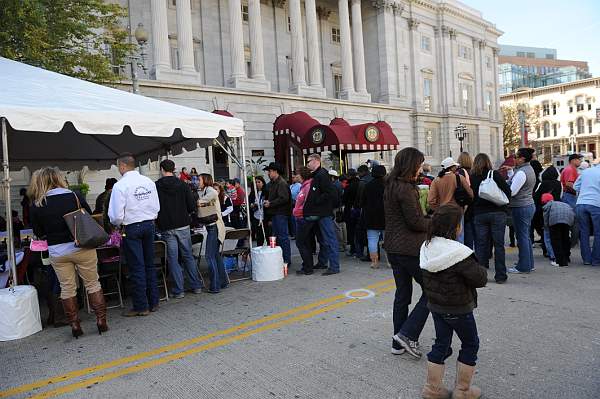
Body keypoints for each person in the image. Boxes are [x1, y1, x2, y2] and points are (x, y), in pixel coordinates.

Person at [29, 167, 108, 338]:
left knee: (67, 289)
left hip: (57, 252)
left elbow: (38, 231)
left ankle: (74, 324)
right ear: (58, 178)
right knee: (93, 284)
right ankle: (101, 320)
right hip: (81, 246)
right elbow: (87, 215)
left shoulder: (37, 204)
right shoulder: (73, 196)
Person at [419, 204, 487, 399]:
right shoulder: (458, 253)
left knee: (441, 343)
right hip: (459, 308)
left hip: (436, 306)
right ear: (455, 227)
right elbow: (480, 278)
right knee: (470, 343)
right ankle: (463, 391)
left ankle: (432, 389)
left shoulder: (426, 246)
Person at [385, 148, 431, 358]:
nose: (421, 168)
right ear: (411, 165)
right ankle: (407, 333)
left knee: (402, 294)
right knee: (433, 290)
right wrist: (435, 222)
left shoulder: (391, 185)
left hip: (394, 248)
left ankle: (397, 341)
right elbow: (415, 222)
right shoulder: (405, 188)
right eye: (419, 164)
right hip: (409, 249)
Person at [108, 153, 161, 316]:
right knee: (149, 264)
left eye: (118, 166)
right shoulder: (148, 182)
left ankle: (141, 306)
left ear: (123, 166)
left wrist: (117, 224)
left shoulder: (120, 185)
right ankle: (153, 302)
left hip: (131, 227)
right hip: (149, 224)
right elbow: (156, 206)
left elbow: (116, 215)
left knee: (136, 267)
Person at [155, 159, 203, 299]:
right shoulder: (182, 184)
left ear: (162, 169)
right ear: (174, 169)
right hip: (182, 224)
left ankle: (178, 290)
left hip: (166, 225)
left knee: (173, 259)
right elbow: (191, 205)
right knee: (188, 255)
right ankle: (196, 286)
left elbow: (154, 206)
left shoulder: (156, 186)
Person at [469, 153, 511, 284]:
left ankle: (481, 276)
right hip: (497, 212)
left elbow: (471, 197)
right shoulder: (494, 174)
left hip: (479, 214)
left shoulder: (472, 177)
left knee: (481, 245)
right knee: (499, 245)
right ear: (488, 162)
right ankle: (500, 275)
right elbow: (508, 191)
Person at [302, 154, 340, 276]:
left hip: (323, 213)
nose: (307, 164)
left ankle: (334, 266)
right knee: (323, 240)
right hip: (318, 213)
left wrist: (317, 200)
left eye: (309, 161)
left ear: (316, 161)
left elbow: (329, 192)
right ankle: (323, 262)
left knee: (329, 239)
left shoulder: (322, 175)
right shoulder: (318, 174)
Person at [428, 157, 473, 243]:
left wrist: (438, 209)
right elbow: (471, 194)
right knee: (459, 237)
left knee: (445, 237)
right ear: (452, 167)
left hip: (443, 212)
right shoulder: (459, 178)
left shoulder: (436, 180)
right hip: (458, 211)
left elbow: (431, 200)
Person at [507, 148, 537, 274]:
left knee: (522, 237)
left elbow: (512, 191)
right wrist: (510, 174)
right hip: (528, 204)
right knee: (526, 236)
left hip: (520, 206)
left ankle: (523, 266)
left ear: (522, 158)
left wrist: (505, 185)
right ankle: (528, 263)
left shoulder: (521, 172)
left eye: (516, 157)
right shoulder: (528, 169)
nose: (514, 159)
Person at [198, 173, 228, 293]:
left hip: (214, 227)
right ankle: (222, 281)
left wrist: (200, 201)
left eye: (199, 179)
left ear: (205, 180)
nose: (197, 181)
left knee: (209, 256)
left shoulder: (210, 190)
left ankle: (215, 286)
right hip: (214, 227)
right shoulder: (206, 190)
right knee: (215, 256)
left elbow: (215, 193)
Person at [263, 162, 292, 267]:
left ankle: (286, 259)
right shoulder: (273, 183)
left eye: (270, 171)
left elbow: (284, 198)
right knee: (277, 237)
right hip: (276, 213)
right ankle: (281, 258)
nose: (268, 173)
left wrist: (270, 203)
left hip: (281, 213)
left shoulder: (281, 183)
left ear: (275, 171)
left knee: (283, 237)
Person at [533, 166, 562, 264]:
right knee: (555, 231)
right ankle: (556, 251)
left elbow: (536, 197)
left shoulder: (542, 184)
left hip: (543, 210)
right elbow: (561, 196)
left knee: (545, 232)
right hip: (556, 209)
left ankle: (547, 251)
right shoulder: (559, 184)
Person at [574, 164, 600, 266]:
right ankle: (596, 260)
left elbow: (576, 186)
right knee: (598, 233)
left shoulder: (586, 171)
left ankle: (586, 259)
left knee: (584, 232)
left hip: (581, 203)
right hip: (596, 204)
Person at [361, 165, 386, 269]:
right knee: (388, 239)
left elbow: (362, 201)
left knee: (372, 240)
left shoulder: (367, 185)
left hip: (370, 216)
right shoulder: (388, 185)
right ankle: (390, 262)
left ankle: (374, 262)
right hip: (385, 216)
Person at [541, 193, 574, 267]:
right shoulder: (562, 203)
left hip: (555, 220)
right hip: (568, 219)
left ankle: (560, 262)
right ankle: (566, 258)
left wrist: (546, 227)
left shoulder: (548, 205)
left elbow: (546, 218)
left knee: (556, 241)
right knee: (565, 239)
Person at [293, 167, 315, 275]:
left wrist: (299, 211)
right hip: (301, 217)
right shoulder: (304, 186)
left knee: (301, 243)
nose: (295, 176)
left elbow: (307, 203)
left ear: (302, 175)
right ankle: (307, 266)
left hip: (303, 218)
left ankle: (307, 267)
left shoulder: (307, 187)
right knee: (304, 243)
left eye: (297, 174)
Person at [354, 164, 373, 261]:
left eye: (360, 172)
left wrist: (358, 206)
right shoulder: (375, 179)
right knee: (374, 234)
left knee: (362, 232)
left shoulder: (363, 182)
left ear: (363, 172)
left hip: (365, 209)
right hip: (377, 210)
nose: (359, 175)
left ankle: (361, 253)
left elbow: (360, 198)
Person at [457, 152, 474, 249]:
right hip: (473, 207)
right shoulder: (473, 172)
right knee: (470, 235)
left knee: (462, 234)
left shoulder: (461, 172)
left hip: (465, 206)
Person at [343, 169, 360, 256]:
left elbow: (344, 199)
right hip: (359, 209)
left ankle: (353, 249)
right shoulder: (360, 184)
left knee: (351, 231)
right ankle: (359, 250)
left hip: (350, 210)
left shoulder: (349, 187)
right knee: (359, 230)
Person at [330, 169, 346, 252]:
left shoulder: (333, 185)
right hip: (341, 206)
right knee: (342, 226)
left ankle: (340, 245)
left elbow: (335, 199)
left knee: (337, 227)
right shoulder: (339, 184)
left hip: (336, 208)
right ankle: (344, 243)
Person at [249, 176, 267, 246]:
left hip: (264, 216)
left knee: (266, 235)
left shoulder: (266, 192)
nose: (257, 184)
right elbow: (250, 202)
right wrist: (252, 205)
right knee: (259, 237)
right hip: (256, 217)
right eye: (255, 182)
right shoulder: (253, 193)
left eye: (259, 182)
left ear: (263, 183)